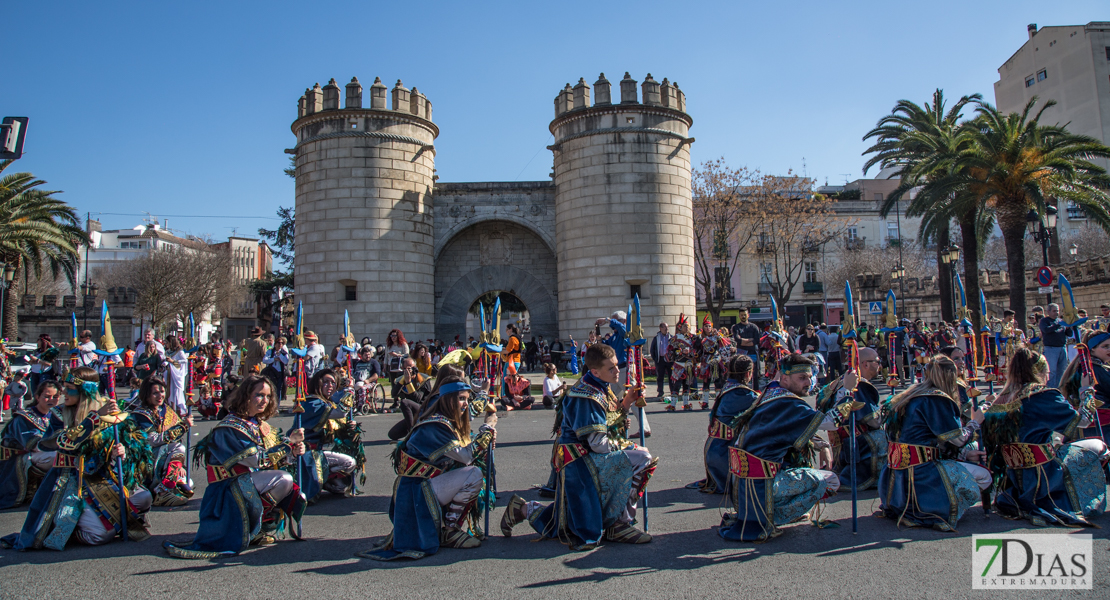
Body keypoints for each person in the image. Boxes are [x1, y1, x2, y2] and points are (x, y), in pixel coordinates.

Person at [501, 343, 656, 550]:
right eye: (611, 368)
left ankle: (523, 509)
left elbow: (609, 420)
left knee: (568, 515)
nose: (617, 371)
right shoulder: (588, 396)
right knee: (642, 459)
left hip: (587, 453)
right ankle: (620, 523)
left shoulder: (600, 386)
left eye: (616, 366)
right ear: (595, 371)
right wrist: (625, 446)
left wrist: (627, 401)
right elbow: (599, 443)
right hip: (578, 459)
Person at [2, 366, 153, 550]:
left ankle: (109, 520)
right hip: (72, 480)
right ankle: (75, 530)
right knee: (99, 535)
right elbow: (56, 443)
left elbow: (132, 445)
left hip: (104, 477)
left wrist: (121, 452)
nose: (63, 392)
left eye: (69, 388)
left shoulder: (110, 410)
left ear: (85, 391)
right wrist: (94, 419)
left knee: (145, 497)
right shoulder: (59, 414)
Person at [164, 374, 306, 558]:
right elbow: (256, 460)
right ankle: (251, 526)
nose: (265, 400)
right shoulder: (229, 427)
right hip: (226, 490)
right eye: (259, 395)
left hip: (248, 483)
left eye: (268, 396)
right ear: (246, 396)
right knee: (283, 479)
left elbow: (274, 459)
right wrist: (287, 446)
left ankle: (257, 527)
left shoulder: (258, 424)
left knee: (292, 487)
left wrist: (293, 451)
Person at [361, 373, 497, 560]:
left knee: (466, 473)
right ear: (449, 399)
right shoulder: (437, 425)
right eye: (462, 399)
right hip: (415, 491)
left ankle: (448, 527)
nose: (466, 404)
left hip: (421, 485)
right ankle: (450, 530)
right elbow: (466, 457)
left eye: (467, 399)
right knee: (473, 474)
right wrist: (487, 429)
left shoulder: (442, 420)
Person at [718, 354, 842, 542]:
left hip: (744, 487)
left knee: (801, 460)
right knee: (831, 480)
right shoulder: (787, 402)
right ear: (784, 378)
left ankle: (770, 512)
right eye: (802, 378)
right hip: (763, 484)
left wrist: (822, 445)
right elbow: (830, 422)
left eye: (810, 377)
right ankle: (775, 516)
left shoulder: (771, 392)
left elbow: (793, 427)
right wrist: (846, 392)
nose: (808, 382)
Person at [982, 348, 1107, 526]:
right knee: (1099, 446)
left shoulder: (1001, 398)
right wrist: (1086, 391)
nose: (1048, 376)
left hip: (1012, 478)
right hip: (1043, 473)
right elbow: (1084, 421)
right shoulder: (1043, 395)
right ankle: (1080, 498)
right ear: (1038, 372)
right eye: (1046, 371)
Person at [878, 355, 991, 531]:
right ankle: (940, 507)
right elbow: (959, 439)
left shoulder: (909, 394)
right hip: (923, 473)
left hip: (893, 476)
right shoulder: (937, 399)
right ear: (951, 377)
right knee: (984, 476)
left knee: (967, 462)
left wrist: (964, 454)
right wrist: (975, 423)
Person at [814, 347, 888, 490]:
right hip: (856, 446)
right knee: (885, 436)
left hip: (840, 445)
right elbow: (873, 421)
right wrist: (887, 412)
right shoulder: (858, 384)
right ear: (865, 364)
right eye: (877, 361)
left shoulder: (837, 382)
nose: (880, 365)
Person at [686, 355, 758, 494]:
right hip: (724, 454)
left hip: (713, 449)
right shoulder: (745, 394)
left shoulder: (727, 388)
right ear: (748, 374)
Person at [295, 369, 360, 501]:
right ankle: (317, 481)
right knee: (310, 495)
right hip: (303, 453)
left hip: (317, 451)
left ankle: (324, 480)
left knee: (349, 464)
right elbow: (341, 412)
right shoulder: (312, 403)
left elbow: (334, 426)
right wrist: (350, 391)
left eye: (333, 382)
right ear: (317, 383)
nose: (330, 385)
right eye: (326, 382)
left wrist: (349, 426)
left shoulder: (324, 402)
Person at [130, 377, 194, 507]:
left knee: (189, 481)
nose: (160, 396)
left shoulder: (165, 409)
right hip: (146, 457)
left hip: (165, 455)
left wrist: (179, 465)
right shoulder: (141, 414)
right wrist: (182, 428)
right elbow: (152, 440)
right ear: (146, 394)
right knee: (179, 448)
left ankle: (170, 484)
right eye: (155, 393)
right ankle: (162, 491)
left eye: (162, 392)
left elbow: (174, 438)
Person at [0, 381, 63, 509]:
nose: (51, 400)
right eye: (47, 396)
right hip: (18, 460)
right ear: (37, 396)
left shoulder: (57, 415)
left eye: (55, 397)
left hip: (41, 454)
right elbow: (33, 445)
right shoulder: (24, 417)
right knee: (58, 457)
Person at [1060, 325, 1110, 441]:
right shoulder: (1093, 369)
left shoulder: (1090, 366)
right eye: (1105, 346)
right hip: (1099, 427)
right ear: (1092, 349)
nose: (1109, 349)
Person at [666, 314, 698, 411]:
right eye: (684, 326)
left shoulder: (693, 338)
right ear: (680, 327)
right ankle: (673, 405)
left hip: (688, 364)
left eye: (688, 326)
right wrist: (678, 352)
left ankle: (686, 404)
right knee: (677, 385)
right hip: (679, 364)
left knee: (687, 385)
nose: (686, 328)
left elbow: (698, 350)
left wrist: (692, 353)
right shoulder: (675, 338)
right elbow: (670, 351)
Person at [1039, 303, 1070, 389]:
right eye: (1054, 311)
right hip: (1051, 348)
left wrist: (1069, 327)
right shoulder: (1044, 321)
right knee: (1052, 371)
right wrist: (1059, 324)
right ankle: (1050, 388)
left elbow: (1069, 334)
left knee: (1062, 370)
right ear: (1048, 311)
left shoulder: (1060, 321)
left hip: (1062, 347)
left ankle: (1060, 388)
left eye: (1057, 311)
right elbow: (1046, 330)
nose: (1056, 313)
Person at [731, 307, 762, 387]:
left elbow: (757, 341)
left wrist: (743, 341)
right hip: (741, 354)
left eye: (745, 315)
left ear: (748, 315)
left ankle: (755, 391)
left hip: (753, 353)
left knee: (754, 374)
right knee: (741, 374)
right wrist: (749, 340)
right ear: (739, 316)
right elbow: (737, 339)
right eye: (741, 315)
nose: (743, 316)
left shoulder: (754, 327)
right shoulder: (736, 327)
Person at [262, 336, 291, 405]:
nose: (280, 345)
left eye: (281, 343)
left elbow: (286, 361)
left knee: (279, 389)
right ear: (275, 344)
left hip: (280, 372)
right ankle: (270, 404)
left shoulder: (284, 352)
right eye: (278, 343)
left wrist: (280, 355)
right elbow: (264, 360)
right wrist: (273, 359)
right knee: (271, 388)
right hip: (272, 372)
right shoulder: (270, 351)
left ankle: (276, 405)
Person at [164, 336, 189, 416]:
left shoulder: (179, 351)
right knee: (170, 393)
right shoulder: (168, 351)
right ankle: (172, 411)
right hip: (170, 374)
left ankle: (179, 412)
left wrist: (173, 361)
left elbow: (185, 360)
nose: (166, 344)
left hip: (177, 374)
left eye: (167, 342)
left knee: (176, 393)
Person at [649, 322, 672, 401]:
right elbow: (652, 349)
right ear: (660, 328)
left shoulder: (671, 337)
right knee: (660, 377)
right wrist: (655, 358)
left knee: (671, 376)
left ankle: (673, 391)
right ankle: (660, 391)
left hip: (669, 360)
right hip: (660, 359)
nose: (667, 329)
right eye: (665, 327)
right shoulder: (656, 338)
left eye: (667, 327)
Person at [385, 329, 410, 394]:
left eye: (395, 336)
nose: (393, 337)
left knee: (400, 383)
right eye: (391, 336)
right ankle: (395, 400)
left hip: (400, 367)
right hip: (391, 366)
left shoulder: (403, 344)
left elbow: (407, 355)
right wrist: (385, 366)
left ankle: (402, 398)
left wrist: (397, 355)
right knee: (393, 384)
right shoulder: (389, 345)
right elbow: (386, 357)